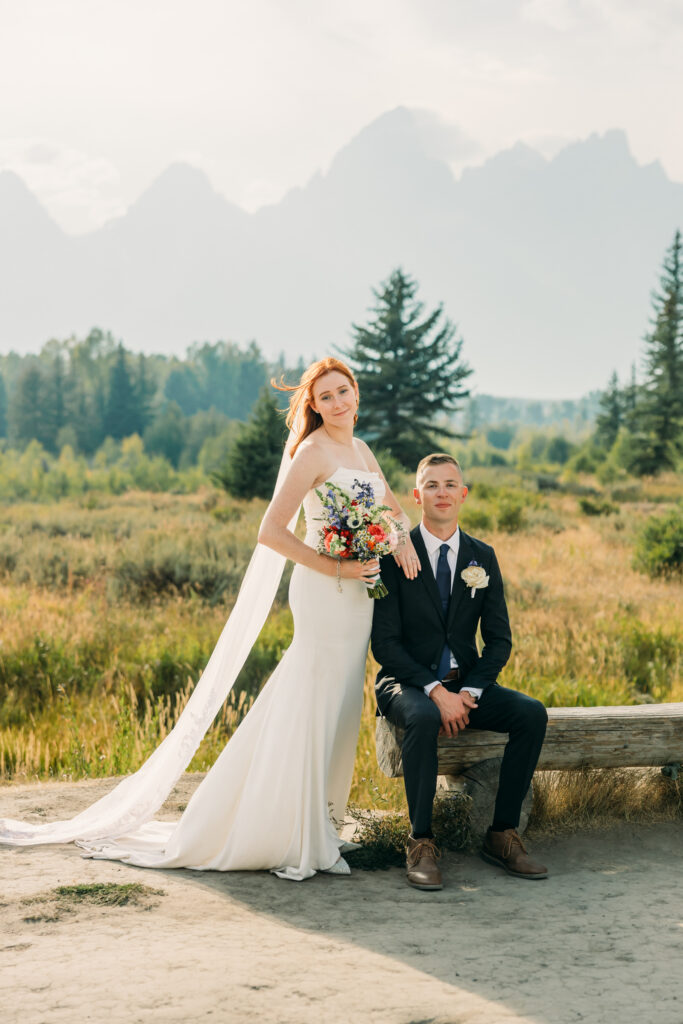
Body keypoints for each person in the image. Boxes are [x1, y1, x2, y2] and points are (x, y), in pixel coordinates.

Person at [0, 357, 420, 881]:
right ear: (312, 405)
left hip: (360, 598)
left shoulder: (361, 449)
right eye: (327, 396)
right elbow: (271, 531)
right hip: (323, 589)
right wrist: (337, 562)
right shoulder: (310, 452)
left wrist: (398, 542)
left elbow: (394, 512)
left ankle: (320, 825)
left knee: (336, 707)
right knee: (310, 698)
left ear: (357, 394)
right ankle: (290, 835)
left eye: (344, 391)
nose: (338, 402)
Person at [371, 452, 549, 890]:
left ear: (463, 494)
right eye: (432, 485)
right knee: (426, 715)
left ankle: (503, 834)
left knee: (531, 714)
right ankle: (421, 841)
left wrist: (468, 690)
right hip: (407, 683)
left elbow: (499, 640)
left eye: (450, 484)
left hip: (466, 686)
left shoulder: (482, 557)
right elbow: (385, 646)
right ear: (416, 496)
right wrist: (435, 689)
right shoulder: (395, 555)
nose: (442, 492)